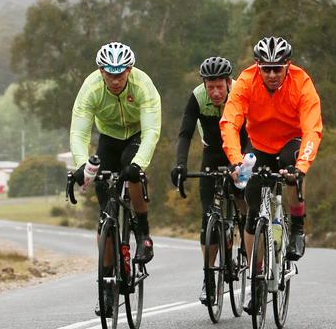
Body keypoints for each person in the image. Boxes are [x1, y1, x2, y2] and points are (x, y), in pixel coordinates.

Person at [220, 36, 322, 313]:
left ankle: (298, 228)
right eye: (267, 68)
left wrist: (301, 166)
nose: (273, 74)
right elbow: (230, 121)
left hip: (292, 143)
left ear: (288, 65)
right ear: (257, 67)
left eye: (278, 68)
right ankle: (257, 276)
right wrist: (237, 161)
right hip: (260, 146)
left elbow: (312, 128)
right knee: (253, 211)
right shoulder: (245, 81)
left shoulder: (302, 83)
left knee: (292, 173)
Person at [70, 41, 161, 316]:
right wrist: (81, 166)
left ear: (129, 70)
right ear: (101, 71)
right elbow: (79, 132)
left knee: (132, 173)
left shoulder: (143, 85)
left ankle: (143, 233)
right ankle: (107, 285)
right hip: (108, 139)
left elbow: (152, 132)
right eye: (110, 73)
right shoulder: (91, 88)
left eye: (120, 73)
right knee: (105, 218)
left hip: (136, 137)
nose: (115, 79)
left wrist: (138, 164)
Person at [171, 56, 248, 304]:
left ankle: (247, 237)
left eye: (219, 86)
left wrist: (243, 164)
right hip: (212, 151)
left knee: (241, 196)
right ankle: (209, 277)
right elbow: (185, 133)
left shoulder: (240, 92)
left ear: (228, 82)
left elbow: (252, 130)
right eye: (209, 86)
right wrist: (180, 164)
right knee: (207, 219)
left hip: (238, 146)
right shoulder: (197, 96)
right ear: (204, 84)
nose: (214, 92)